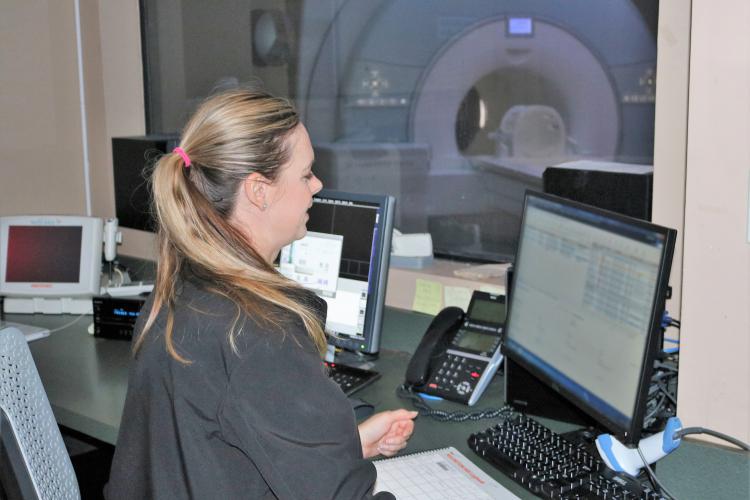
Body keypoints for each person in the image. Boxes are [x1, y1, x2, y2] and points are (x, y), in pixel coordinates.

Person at [106, 88, 416, 499]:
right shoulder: (256, 330)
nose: (318, 185)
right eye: (306, 174)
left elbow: (216, 455)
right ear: (259, 190)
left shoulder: (177, 288)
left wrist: (346, 445)